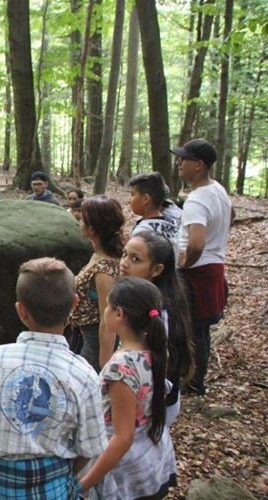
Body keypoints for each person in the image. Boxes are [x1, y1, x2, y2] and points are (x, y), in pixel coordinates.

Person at [0, 257, 107, 499]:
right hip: (54, 488)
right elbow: (90, 446)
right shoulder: (84, 374)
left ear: (21, 310)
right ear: (74, 304)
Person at [79, 277, 177, 499]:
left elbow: (123, 437)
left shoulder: (122, 368)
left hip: (125, 470)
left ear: (119, 314)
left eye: (107, 306)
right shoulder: (155, 348)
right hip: (151, 454)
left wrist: (85, 483)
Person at [171, 138, 234, 396]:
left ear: (198, 165)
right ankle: (196, 381)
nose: (179, 164)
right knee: (200, 328)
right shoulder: (218, 190)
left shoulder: (197, 199)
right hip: (213, 266)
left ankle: (192, 382)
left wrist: (185, 262)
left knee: (190, 328)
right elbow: (231, 216)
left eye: (183, 159)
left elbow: (195, 242)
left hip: (197, 271)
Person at [119, 231, 194, 424]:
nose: (124, 263)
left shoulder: (159, 311)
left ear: (156, 269)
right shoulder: (137, 297)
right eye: (124, 254)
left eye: (135, 259)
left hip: (153, 405)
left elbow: (161, 363)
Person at [70, 196, 124, 372]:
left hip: (95, 342)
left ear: (91, 229)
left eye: (82, 220)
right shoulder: (99, 255)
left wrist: (104, 364)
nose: (79, 223)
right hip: (83, 335)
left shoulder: (104, 271)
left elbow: (107, 321)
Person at [128, 172, 178, 248]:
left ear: (145, 199)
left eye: (132, 194)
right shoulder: (172, 226)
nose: (129, 200)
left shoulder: (142, 233)